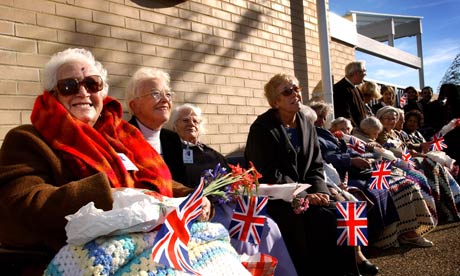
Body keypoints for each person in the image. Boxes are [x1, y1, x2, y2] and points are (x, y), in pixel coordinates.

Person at [0, 49, 205, 274]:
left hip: (143, 256)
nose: (82, 92)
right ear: (53, 94)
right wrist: (110, 194)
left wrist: (191, 197)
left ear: (102, 92)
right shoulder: (26, 139)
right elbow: (20, 207)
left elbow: (147, 183)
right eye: (69, 86)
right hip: (64, 265)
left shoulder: (120, 136)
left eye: (92, 84)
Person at [126, 69, 297, 276]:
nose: (164, 99)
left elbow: (178, 184)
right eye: (155, 94)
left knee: (265, 225)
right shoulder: (123, 138)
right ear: (133, 105)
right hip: (153, 222)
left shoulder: (171, 141)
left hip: (198, 210)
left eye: (168, 94)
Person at [245, 73, 360, 276]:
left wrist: (320, 191)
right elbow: (265, 172)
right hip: (278, 197)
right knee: (317, 220)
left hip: (309, 194)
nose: (295, 95)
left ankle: (352, 267)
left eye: (297, 89)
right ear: (275, 101)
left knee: (346, 211)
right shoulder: (262, 128)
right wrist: (303, 194)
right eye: (287, 92)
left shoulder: (306, 124)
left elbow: (316, 165)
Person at [333, 61, 369, 127]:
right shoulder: (340, 88)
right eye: (364, 71)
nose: (365, 74)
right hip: (352, 132)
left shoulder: (357, 89)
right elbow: (343, 113)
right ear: (356, 73)